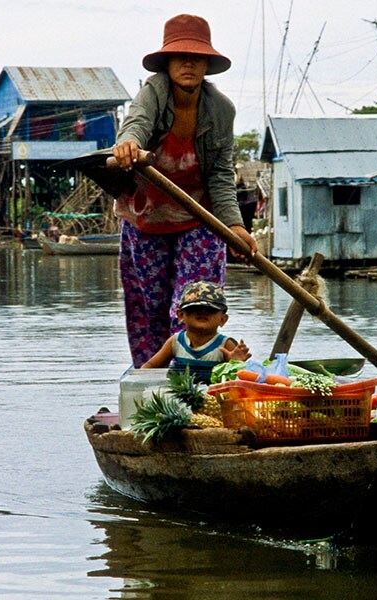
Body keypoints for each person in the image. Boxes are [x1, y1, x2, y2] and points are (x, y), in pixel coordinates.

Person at [112, 13, 259, 367]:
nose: (189, 63)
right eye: (181, 56)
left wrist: (235, 226)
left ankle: (202, 380)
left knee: (196, 302)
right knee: (150, 308)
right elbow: (137, 123)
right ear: (168, 63)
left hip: (198, 218)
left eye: (197, 57)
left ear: (207, 64)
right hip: (146, 218)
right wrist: (129, 143)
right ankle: (152, 386)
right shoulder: (153, 93)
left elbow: (221, 172)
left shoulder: (221, 109)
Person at [141, 281, 251, 382]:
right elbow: (150, 366)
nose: (202, 312)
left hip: (213, 399)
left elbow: (242, 379)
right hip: (178, 398)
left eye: (210, 310)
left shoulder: (225, 345)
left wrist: (236, 363)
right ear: (180, 316)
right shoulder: (175, 341)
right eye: (194, 308)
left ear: (222, 320)